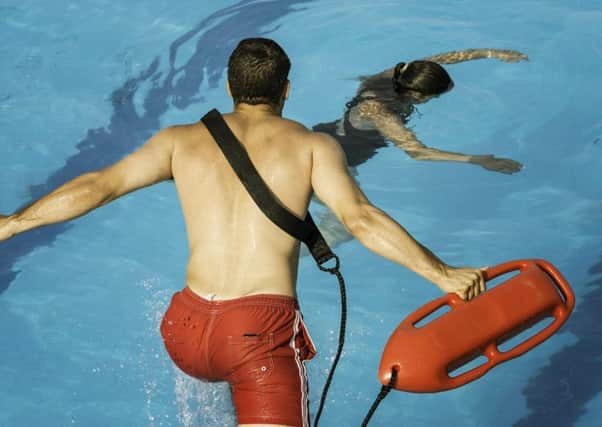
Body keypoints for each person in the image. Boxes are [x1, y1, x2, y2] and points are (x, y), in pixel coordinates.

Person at [0, 38, 486, 427]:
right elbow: (360, 218)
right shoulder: (311, 146)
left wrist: (12, 223)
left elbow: (97, 186)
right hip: (256, 334)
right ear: (287, 90)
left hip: (184, 330)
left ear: (230, 86)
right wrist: (441, 273)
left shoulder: (179, 140)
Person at [313, 48, 527, 174]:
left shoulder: (401, 74)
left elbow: (442, 59)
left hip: (331, 133)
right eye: (435, 96)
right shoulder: (381, 112)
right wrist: (479, 160)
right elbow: (418, 152)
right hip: (339, 158)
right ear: (417, 95)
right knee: (341, 229)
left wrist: (491, 53)